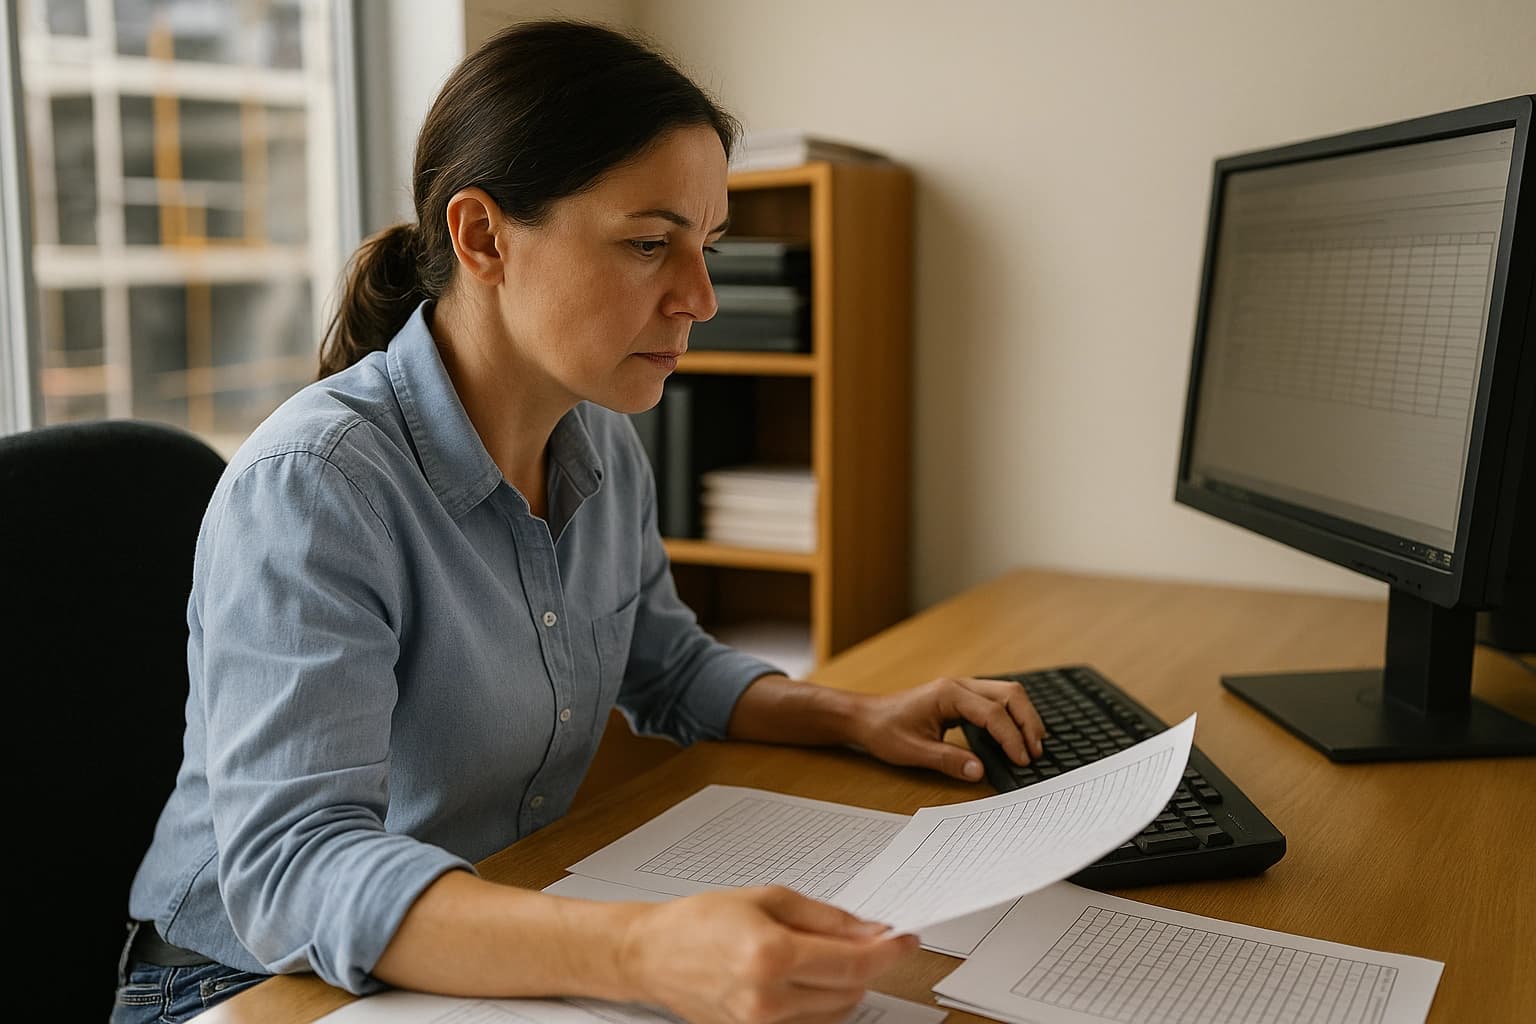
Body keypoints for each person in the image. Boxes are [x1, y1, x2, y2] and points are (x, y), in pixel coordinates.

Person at [112, 18, 1045, 1024]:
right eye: (650, 244)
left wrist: (854, 712)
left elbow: (669, 666)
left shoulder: (598, 437)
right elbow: (293, 870)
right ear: (482, 237)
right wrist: (645, 951)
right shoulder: (317, 485)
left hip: (483, 936)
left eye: (706, 248)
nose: (701, 297)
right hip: (243, 986)